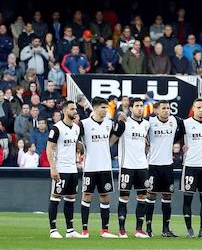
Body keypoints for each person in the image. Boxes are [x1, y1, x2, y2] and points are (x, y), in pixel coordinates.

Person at [79, 97, 123, 239]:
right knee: (87, 195)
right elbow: (77, 141)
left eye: (106, 108)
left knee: (105, 196)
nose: (106, 110)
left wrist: (107, 145)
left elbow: (115, 136)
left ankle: (105, 230)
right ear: (95, 108)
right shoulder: (84, 124)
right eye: (103, 107)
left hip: (105, 166)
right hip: (90, 166)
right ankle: (84, 230)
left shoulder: (109, 123)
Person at [46, 100, 84, 239]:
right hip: (60, 168)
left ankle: (70, 230)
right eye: (72, 109)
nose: (75, 111)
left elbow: (75, 145)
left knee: (71, 198)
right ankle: (53, 230)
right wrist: (53, 167)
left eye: (75, 109)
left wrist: (80, 153)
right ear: (64, 111)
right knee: (56, 197)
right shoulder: (56, 128)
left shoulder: (76, 128)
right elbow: (49, 148)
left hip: (73, 168)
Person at [147, 100, 184, 238]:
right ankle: (148, 228)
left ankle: (165, 229)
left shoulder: (175, 121)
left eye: (168, 108)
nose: (166, 110)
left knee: (167, 196)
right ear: (157, 110)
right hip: (153, 164)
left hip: (168, 164)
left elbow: (183, 132)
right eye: (163, 108)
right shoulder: (150, 122)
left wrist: (181, 144)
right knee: (151, 195)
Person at [117, 97, 151, 238]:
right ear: (130, 108)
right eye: (136, 106)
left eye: (141, 106)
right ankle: (122, 230)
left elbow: (147, 142)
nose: (139, 108)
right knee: (124, 197)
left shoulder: (147, 124)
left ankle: (138, 230)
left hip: (142, 165)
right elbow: (114, 134)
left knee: (142, 196)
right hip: (127, 165)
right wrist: (118, 121)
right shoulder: (124, 122)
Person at [180, 99, 202, 238]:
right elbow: (176, 136)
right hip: (190, 166)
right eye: (198, 107)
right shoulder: (185, 123)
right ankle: (189, 229)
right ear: (193, 108)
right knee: (187, 199)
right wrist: (180, 145)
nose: (201, 110)